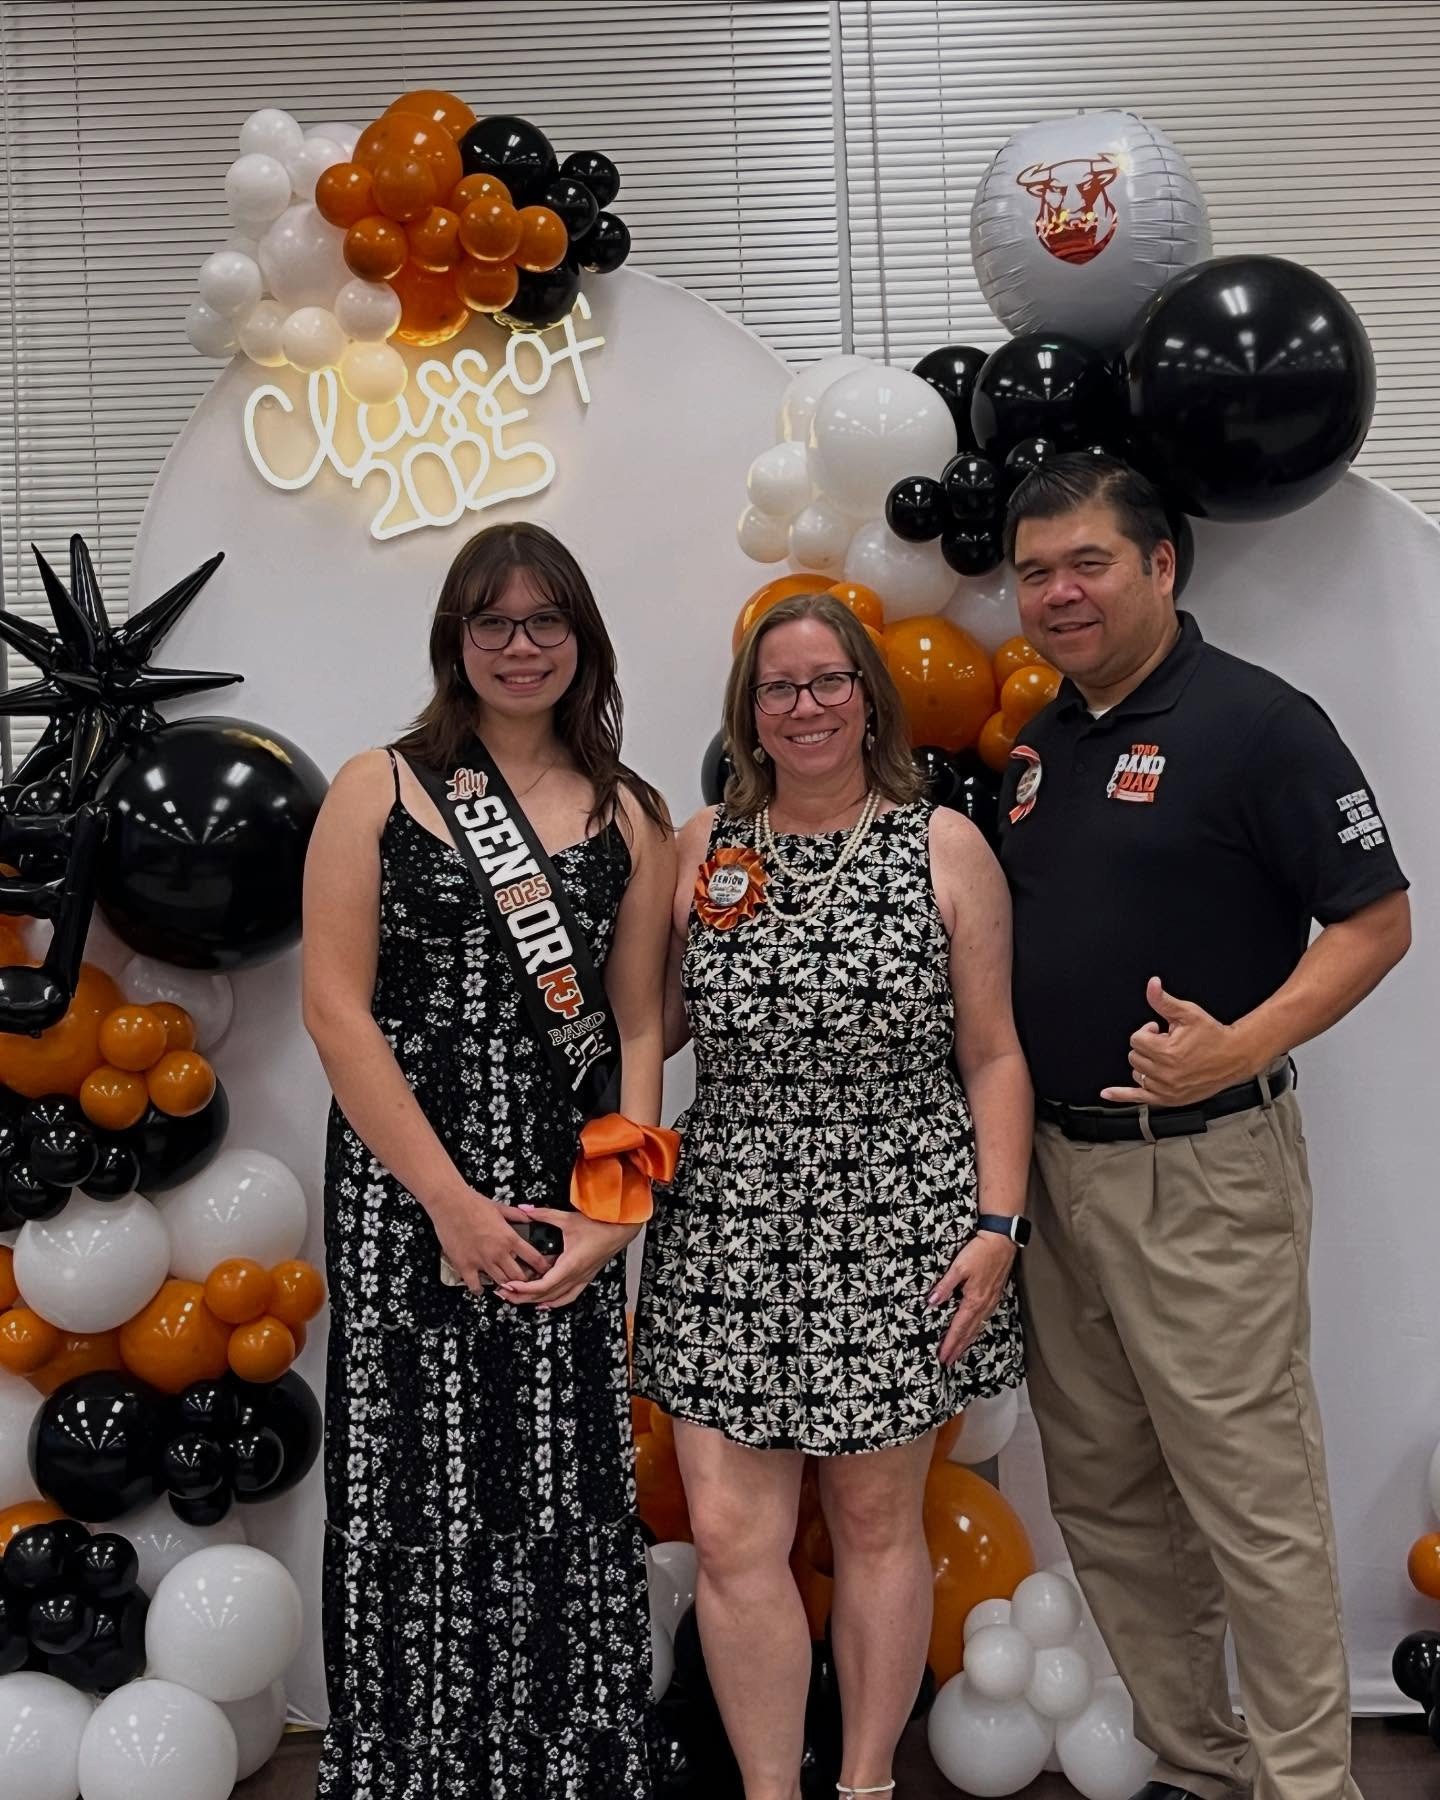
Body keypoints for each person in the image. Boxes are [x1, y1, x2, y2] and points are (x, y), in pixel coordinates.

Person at [997, 453, 1411, 1800]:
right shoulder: (1037, 749)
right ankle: (1203, 1766)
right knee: (1107, 1494)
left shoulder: (1258, 722)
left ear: (1161, 565)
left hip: (1205, 1171)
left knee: (1252, 1495)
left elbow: (1376, 920)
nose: (1059, 594)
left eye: (1088, 563)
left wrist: (1246, 1042)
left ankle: (1307, 1787)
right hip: (1055, 1177)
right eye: (1036, 572)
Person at [634, 593, 1029, 1800]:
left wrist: (998, 1225)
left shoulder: (943, 846)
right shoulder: (702, 846)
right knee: (734, 1539)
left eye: (827, 682)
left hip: (900, 1221)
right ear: (748, 712)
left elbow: (993, 1056)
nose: (803, 707)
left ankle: (864, 1784)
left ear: (868, 698)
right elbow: (648, 1030)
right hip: (728, 1225)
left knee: (873, 1527)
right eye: (778, 687)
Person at [303, 521, 675, 1800]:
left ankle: (566, 1762)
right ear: (454, 640)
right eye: (494, 622)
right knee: (409, 1482)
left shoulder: (633, 812)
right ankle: (412, 1767)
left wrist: (616, 1218)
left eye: (546, 620)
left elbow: (637, 1027)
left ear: (582, 637)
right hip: (407, 1196)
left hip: (566, 1204)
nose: (522, 646)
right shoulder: (378, 789)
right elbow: (335, 1012)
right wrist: (449, 1204)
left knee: (562, 1473)